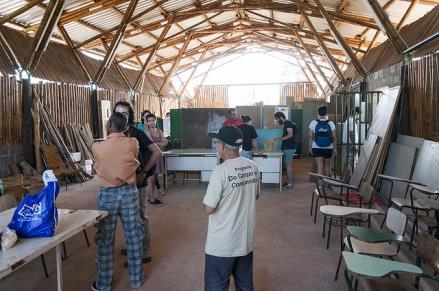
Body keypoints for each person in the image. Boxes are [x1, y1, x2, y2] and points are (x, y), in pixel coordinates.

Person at [92, 112, 145, 291]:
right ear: (126, 127)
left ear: (109, 126)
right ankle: (136, 279)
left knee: (105, 239)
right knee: (134, 236)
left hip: (107, 195)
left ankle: (103, 284)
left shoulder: (97, 147)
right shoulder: (132, 143)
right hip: (129, 193)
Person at [204, 126, 260, 291]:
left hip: (222, 244)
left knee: (216, 285)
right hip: (245, 240)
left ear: (223, 145)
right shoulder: (252, 166)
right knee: (244, 283)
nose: (216, 146)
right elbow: (256, 195)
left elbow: (209, 208)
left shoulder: (219, 171)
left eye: (216, 142)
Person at [113, 101, 161, 267]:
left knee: (140, 216)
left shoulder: (137, 134)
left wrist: (144, 172)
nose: (121, 116)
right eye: (118, 113)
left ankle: (144, 251)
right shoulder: (114, 134)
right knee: (127, 218)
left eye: (125, 113)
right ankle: (134, 246)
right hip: (121, 184)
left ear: (130, 116)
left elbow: (157, 152)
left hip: (137, 184)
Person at [144, 113, 168, 205]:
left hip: (159, 157)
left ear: (156, 121)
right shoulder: (147, 132)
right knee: (151, 178)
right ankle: (152, 199)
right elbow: (151, 146)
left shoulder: (159, 130)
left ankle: (151, 197)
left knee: (154, 178)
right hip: (151, 157)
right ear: (147, 122)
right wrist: (160, 144)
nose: (151, 122)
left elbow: (165, 142)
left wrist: (156, 144)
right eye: (149, 121)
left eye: (153, 120)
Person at [308, 105, 337, 177]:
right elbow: (334, 137)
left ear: (318, 112)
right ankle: (326, 185)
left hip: (316, 147)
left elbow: (310, 136)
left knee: (319, 166)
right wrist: (334, 148)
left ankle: (320, 186)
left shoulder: (313, 122)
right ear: (326, 113)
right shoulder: (331, 123)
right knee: (327, 166)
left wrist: (310, 147)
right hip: (329, 147)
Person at [273, 111, 298, 190]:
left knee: (288, 165)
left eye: (277, 119)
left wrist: (279, 139)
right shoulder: (287, 123)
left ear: (281, 117)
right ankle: (289, 182)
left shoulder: (288, 123)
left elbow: (290, 134)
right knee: (288, 165)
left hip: (289, 147)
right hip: (288, 146)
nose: (277, 121)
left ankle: (290, 184)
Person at [342, 107, 360, 180]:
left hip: (348, 143)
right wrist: (355, 146)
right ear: (356, 114)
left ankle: (344, 178)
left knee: (347, 161)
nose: (359, 117)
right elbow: (351, 133)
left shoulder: (348, 120)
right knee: (352, 161)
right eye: (359, 115)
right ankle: (353, 179)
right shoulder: (352, 121)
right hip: (351, 144)